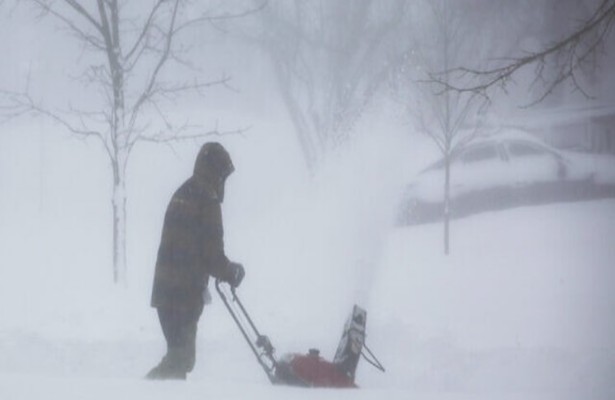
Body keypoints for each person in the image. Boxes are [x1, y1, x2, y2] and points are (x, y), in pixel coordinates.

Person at [146, 142, 245, 380]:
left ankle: (148, 390)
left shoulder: (184, 192)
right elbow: (211, 252)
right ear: (217, 173)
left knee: (178, 358)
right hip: (183, 294)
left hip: (165, 291)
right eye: (224, 176)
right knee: (180, 361)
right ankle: (143, 392)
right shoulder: (207, 199)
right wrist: (230, 271)